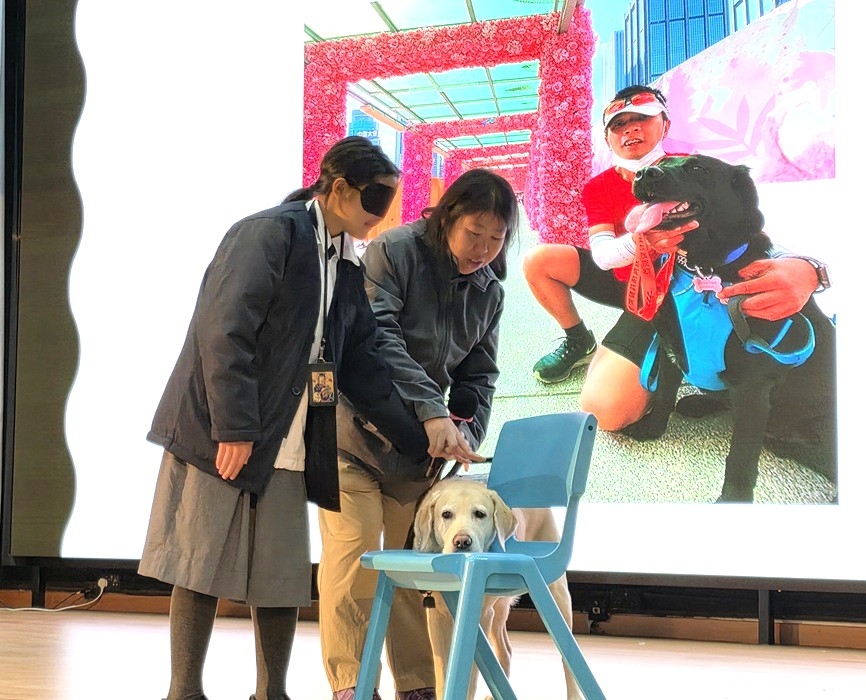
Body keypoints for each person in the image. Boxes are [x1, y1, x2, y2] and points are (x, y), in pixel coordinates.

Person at [139, 136, 431, 700]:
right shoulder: (269, 232)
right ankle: (184, 692)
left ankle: (272, 693)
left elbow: (361, 364)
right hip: (224, 433)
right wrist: (233, 428)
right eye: (375, 199)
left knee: (280, 574)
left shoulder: (344, 260)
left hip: (291, 437)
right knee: (200, 564)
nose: (381, 214)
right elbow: (224, 330)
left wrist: (418, 439)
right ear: (338, 188)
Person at [317, 169, 520, 700]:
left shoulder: (490, 291)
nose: (483, 249)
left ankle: (417, 686)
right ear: (448, 216)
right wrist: (431, 410)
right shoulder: (394, 251)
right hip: (351, 439)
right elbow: (378, 338)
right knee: (354, 564)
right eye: (474, 233)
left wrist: (466, 430)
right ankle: (352, 685)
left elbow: (479, 375)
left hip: (415, 457)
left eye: (496, 238)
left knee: (417, 569)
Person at [523, 84, 829, 430]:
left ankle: (676, 351)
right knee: (539, 260)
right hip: (632, 288)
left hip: (679, 289)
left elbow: (744, 230)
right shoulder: (599, 186)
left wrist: (805, 267)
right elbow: (604, 255)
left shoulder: (696, 170)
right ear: (608, 138)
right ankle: (580, 341)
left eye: (641, 119)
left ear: (665, 125)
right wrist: (643, 243)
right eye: (619, 125)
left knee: (605, 410)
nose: (630, 130)